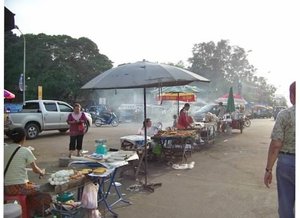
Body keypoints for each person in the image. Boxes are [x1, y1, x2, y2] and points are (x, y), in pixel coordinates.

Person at [264, 81, 295, 218]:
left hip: (287, 164)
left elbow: (276, 145)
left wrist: (268, 169)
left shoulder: (284, 115)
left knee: (286, 204)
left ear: (292, 96)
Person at [4, 127, 52, 217]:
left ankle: (28, 212)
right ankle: (39, 213)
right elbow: (35, 169)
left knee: (31, 186)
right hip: (17, 187)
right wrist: (41, 172)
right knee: (43, 191)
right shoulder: (25, 151)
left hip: (3, 186)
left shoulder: (4, 149)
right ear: (24, 138)